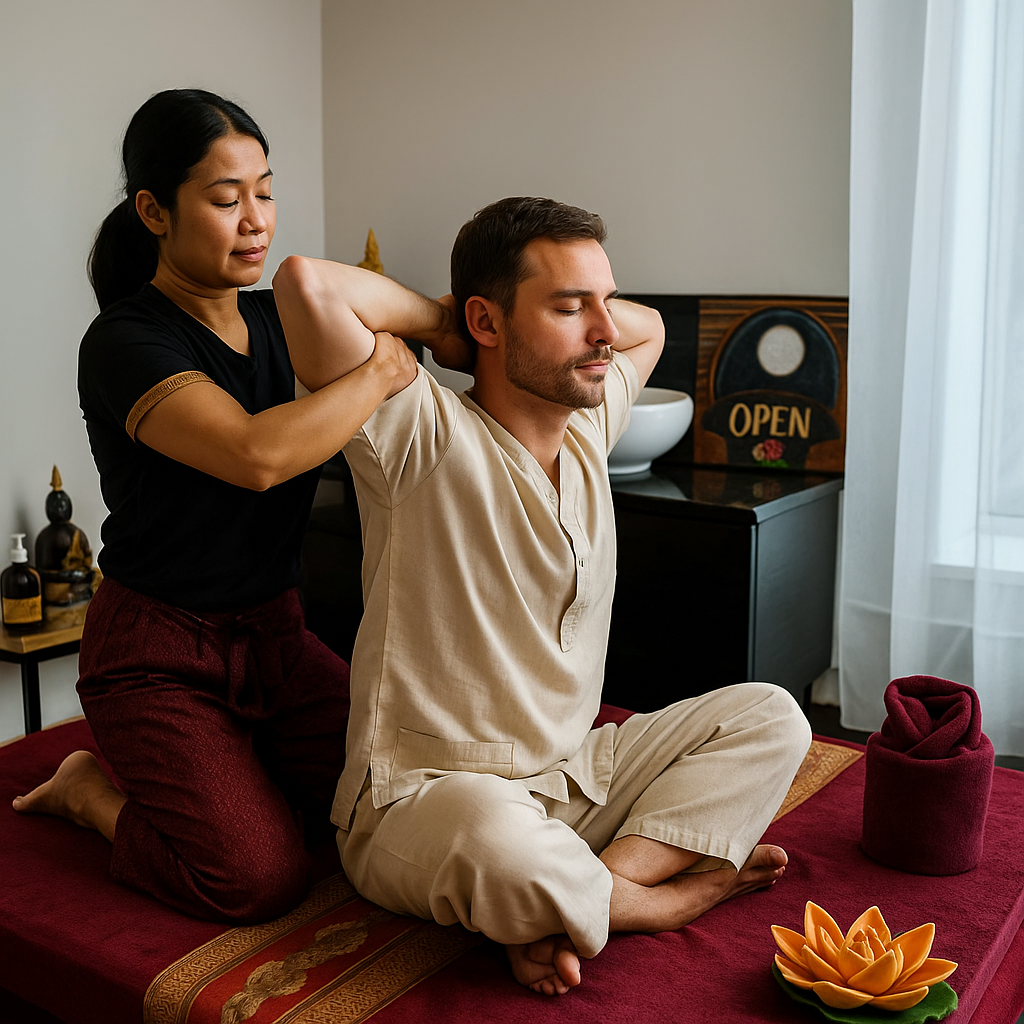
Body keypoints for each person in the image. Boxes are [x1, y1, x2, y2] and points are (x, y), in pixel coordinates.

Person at [272, 196, 812, 994]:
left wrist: (570, 300)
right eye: (570, 307)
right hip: (430, 800)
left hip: (574, 776)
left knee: (773, 717)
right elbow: (306, 285)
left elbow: (650, 326)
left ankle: (573, 897)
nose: (604, 329)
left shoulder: (588, 429)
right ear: (486, 324)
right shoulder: (417, 432)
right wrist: (447, 323)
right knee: (497, 835)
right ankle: (648, 906)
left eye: (603, 299)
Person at [12, 89, 419, 923]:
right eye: (226, 198)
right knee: (260, 878)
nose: (255, 221)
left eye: (265, 192)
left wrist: (482, 324)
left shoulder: (282, 319)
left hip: (275, 635)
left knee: (404, 799)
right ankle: (91, 791)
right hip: (156, 655)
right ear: (153, 211)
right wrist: (381, 370)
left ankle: (247, 766)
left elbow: (423, 316)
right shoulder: (126, 340)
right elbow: (256, 456)